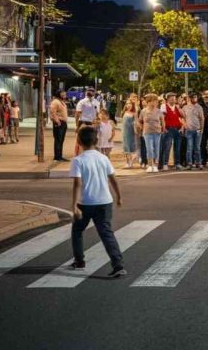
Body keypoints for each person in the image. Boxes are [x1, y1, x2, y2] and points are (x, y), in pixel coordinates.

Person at [69, 126, 126, 278]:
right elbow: (113, 178)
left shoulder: (78, 160)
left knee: (77, 231)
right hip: (105, 201)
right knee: (106, 233)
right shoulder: (103, 158)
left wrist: (74, 205)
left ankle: (79, 261)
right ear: (96, 141)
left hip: (86, 202)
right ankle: (117, 264)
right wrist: (119, 196)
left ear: (79, 141)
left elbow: (77, 184)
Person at [139, 94, 165, 173]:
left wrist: (163, 128)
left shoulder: (159, 111)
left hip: (157, 132)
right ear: (148, 102)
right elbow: (140, 121)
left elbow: (162, 121)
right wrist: (142, 128)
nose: (154, 103)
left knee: (156, 149)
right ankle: (150, 165)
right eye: (152, 101)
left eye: (155, 101)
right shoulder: (143, 111)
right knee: (149, 149)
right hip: (147, 132)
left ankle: (156, 165)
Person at [159, 93, 184, 171]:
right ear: (168, 99)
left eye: (174, 98)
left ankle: (177, 163)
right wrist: (164, 128)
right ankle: (165, 164)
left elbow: (182, 117)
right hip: (168, 129)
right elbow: (162, 118)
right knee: (167, 147)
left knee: (177, 148)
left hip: (177, 129)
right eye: (172, 98)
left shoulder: (177, 107)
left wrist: (182, 127)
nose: (174, 99)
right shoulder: (164, 106)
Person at [182, 93, 205, 170]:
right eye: (194, 98)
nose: (195, 99)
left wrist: (201, 129)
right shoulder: (185, 107)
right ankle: (189, 163)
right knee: (189, 148)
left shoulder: (199, 107)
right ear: (190, 98)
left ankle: (198, 163)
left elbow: (202, 118)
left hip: (197, 130)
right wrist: (184, 125)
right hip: (189, 130)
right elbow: (182, 118)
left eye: (196, 98)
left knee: (197, 148)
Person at [50, 90, 69, 161]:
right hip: (59, 123)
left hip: (63, 123)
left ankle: (60, 156)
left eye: (65, 93)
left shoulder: (62, 102)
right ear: (59, 94)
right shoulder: (55, 102)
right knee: (58, 140)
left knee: (61, 140)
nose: (65, 94)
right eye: (63, 93)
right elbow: (52, 112)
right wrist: (57, 121)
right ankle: (57, 156)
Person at [121, 101, 138, 168]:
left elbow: (136, 122)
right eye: (127, 104)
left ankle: (130, 162)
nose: (128, 105)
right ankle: (128, 163)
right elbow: (123, 122)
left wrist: (135, 130)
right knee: (126, 146)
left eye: (130, 104)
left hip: (131, 131)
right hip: (124, 131)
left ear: (132, 105)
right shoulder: (124, 112)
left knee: (131, 146)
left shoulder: (134, 113)